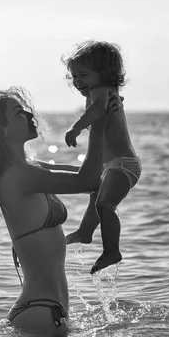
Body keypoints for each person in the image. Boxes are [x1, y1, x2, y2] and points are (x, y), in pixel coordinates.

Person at [0, 86, 122, 336]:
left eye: (27, 110)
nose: (30, 116)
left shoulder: (30, 169)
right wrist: (98, 124)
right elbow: (87, 181)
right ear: (1, 130)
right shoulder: (19, 176)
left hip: (48, 311)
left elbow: (99, 177)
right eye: (19, 113)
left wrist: (108, 120)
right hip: (40, 312)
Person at [62, 40, 142, 274]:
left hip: (123, 165)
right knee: (95, 196)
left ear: (104, 73)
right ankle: (86, 232)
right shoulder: (106, 92)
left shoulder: (100, 92)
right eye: (74, 76)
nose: (77, 82)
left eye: (83, 75)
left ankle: (112, 251)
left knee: (104, 204)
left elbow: (96, 110)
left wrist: (76, 127)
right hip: (111, 165)